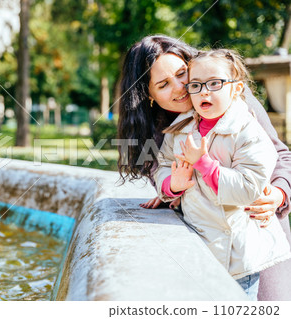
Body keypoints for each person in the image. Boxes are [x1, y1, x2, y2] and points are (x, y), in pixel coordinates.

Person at [117, 35, 291, 300]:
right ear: (148, 97)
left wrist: (279, 193)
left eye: (182, 73)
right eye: (164, 84)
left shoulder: (233, 99)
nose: (181, 87)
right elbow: (159, 172)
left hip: (256, 233)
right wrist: (172, 188)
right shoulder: (158, 128)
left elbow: (280, 154)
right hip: (208, 239)